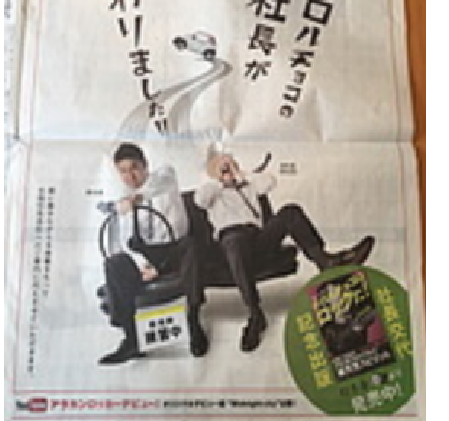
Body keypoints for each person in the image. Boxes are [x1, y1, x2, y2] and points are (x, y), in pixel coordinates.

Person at [194, 151, 374, 352]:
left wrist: (240, 174)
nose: (226, 167)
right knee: (235, 241)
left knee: (290, 212)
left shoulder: (246, 183)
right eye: (221, 165)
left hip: (257, 240)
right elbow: (200, 200)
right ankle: (255, 314)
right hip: (230, 243)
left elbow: (269, 182)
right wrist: (219, 179)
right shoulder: (210, 190)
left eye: (229, 162)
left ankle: (325, 261)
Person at [100, 143, 209, 365]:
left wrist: (133, 201)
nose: (130, 176)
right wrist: (144, 265)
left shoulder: (165, 177)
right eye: (123, 171)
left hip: (174, 249)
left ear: (145, 165)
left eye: (134, 168)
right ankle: (131, 339)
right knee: (114, 263)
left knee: (190, 246)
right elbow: (127, 243)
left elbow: (156, 185)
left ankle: (193, 320)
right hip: (148, 257)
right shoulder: (124, 205)